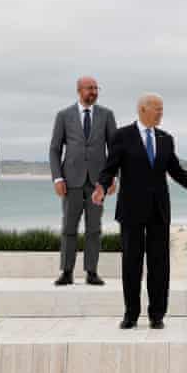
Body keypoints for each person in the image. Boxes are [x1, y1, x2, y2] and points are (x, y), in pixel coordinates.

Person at [92, 94, 187, 330]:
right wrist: (102, 185)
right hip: (131, 210)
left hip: (159, 211)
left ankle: (157, 315)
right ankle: (131, 314)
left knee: (159, 265)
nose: (161, 113)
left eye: (162, 109)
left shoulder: (165, 139)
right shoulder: (122, 136)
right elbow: (109, 168)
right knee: (132, 264)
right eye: (158, 109)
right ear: (143, 109)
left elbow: (177, 172)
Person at [49, 76, 117, 286]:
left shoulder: (106, 115)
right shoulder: (64, 115)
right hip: (71, 181)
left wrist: (113, 177)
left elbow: (114, 149)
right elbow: (55, 149)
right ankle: (67, 271)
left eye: (96, 88)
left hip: (98, 182)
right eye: (90, 88)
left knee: (94, 229)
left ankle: (91, 271)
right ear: (79, 90)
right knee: (69, 228)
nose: (94, 92)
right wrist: (57, 177)